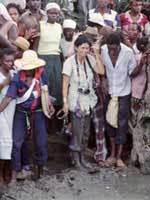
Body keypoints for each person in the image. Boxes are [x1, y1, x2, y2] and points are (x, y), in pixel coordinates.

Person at [0, 50, 55, 182]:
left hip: (38, 112)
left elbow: (45, 91)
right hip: (21, 112)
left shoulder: (42, 74)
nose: (29, 70)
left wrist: (49, 105)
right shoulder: (17, 78)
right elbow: (8, 98)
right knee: (17, 142)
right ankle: (15, 172)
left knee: (40, 142)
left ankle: (39, 170)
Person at [62, 34, 104, 168]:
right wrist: (65, 102)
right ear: (76, 48)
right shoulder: (69, 62)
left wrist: (96, 53)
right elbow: (65, 83)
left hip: (88, 99)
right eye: (82, 48)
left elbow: (101, 71)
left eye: (87, 48)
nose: (85, 51)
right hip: (75, 99)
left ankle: (82, 157)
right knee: (77, 131)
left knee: (86, 131)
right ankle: (76, 159)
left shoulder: (90, 59)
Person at [101, 32, 138, 168]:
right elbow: (103, 68)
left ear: (119, 46)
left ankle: (119, 157)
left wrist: (141, 64)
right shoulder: (103, 49)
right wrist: (104, 79)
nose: (112, 51)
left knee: (121, 124)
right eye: (110, 48)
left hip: (124, 92)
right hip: (110, 92)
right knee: (109, 122)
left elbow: (132, 72)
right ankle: (111, 155)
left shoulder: (128, 53)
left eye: (114, 48)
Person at [38, 2, 62, 133]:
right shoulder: (40, 25)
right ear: (47, 13)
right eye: (52, 13)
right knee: (44, 90)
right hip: (43, 59)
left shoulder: (59, 27)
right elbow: (36, 45)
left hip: (56, 60)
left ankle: (55, 126)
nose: (54, 15)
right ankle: (45, 125)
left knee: (56, 90)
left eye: (56, 13)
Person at [0, 48, 16, 185]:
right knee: (5, 143)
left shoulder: (14, 72)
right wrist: (5, 83)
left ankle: (7, 170)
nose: (10, 64)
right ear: (0, 61)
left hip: (12, 112)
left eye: (12, 61)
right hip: (1, 113)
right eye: (7, 61)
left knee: (10, 144)